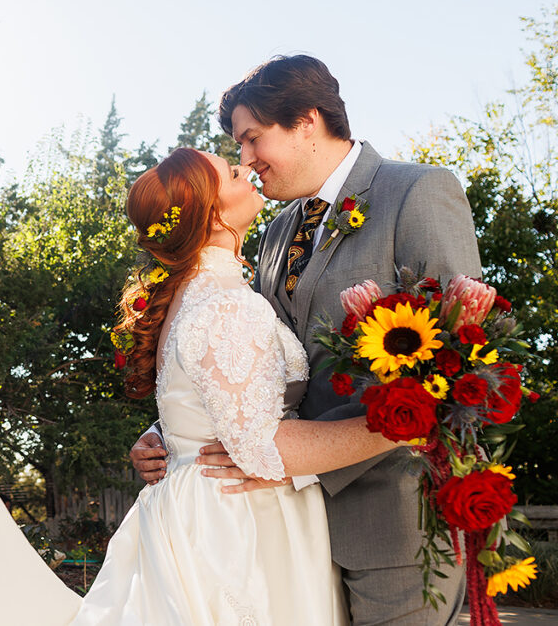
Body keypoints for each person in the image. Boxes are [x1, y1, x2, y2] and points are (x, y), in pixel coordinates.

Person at [129, 55, 480, 625]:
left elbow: (462, 371)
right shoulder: (274, 232)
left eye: (251, 138)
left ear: (306, 121)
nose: (246, 160)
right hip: (289, 531)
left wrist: (272, 453)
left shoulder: (416, 192)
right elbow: (251, 366)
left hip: (394, 523)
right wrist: (175, 430)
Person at [72, 148, 407, 625]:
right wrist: (398, 426)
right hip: (240, 523)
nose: (246, 169)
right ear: (211, 214)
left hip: (198, 507)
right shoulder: (227, 304)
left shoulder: (197, 295)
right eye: (230, 172)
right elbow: (258, 447)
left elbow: (203, 399)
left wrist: (163, 433)